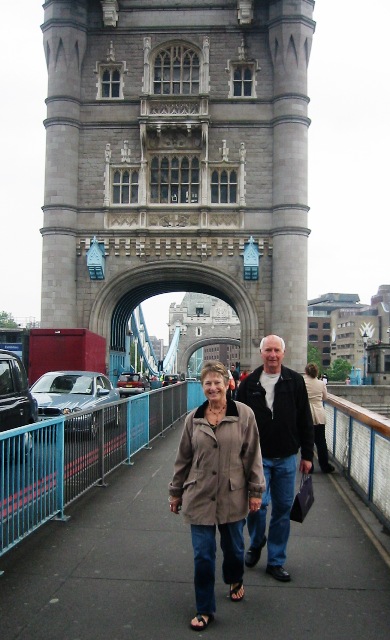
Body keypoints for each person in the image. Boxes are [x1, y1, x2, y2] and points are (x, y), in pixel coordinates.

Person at [169, 361, 265, 631]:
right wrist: (175, 492)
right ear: (202, 387)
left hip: (232, 494)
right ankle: (204, 609)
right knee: (203, 555)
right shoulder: (193, 418)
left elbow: (253, 455)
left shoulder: (244, 415)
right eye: (207, 383)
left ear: (228, 384)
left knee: (234, 550)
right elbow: (183, 460)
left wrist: (256, 492)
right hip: (199, 495)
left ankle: (235, 578)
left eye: (217, 383)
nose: (213, 388)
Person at [236, 335, 314, 582]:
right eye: (268, 350)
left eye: (276, 350)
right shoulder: (248, 385)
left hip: (287, 458)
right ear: (261, 353)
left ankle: (276, 561)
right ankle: (257, 542)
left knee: (282, 510)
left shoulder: (295, 381)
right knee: (258, 508)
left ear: (283, 352)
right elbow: (237, 422)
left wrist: (308, 454)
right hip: (257, 459)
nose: (272, 355)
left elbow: (305, 420)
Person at [303, 363, 335, 474]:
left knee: (307, 442)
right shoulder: (321, 383)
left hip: (306, 414)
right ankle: (324, 466)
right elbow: (325, 397)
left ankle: (309, 467)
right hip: (318, 414)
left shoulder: (302, 382)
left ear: (306, 371)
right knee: (321, 442)